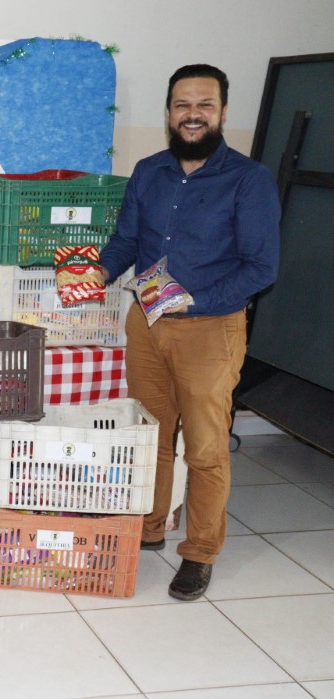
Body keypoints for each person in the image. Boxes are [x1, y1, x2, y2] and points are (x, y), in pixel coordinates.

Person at [97, 64, 280, 600]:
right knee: (151, 437)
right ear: (169, 112)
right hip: (147, 324)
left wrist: (196, 300)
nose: (192, 115)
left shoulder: (249, 180)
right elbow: (126, 241)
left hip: (210, 330)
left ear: (222, 112)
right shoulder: (148, 171)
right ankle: (150, 526)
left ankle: (199, 553)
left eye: (204, 105)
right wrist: (97, 272)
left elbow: (262, 267)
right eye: (182, 105)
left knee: (204, 449)